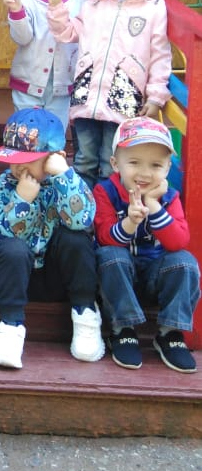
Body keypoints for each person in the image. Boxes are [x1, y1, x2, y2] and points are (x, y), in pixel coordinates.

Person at [47, 0, 172, 188]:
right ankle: (81, 210)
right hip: (87, 97)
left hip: (124, 101)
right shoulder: (96, 2)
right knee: (83, 161)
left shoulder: (154, 7)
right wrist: (57, 7)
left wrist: (156, 96)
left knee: (110, 163)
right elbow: (68, 33)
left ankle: (107, 211)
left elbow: (160, 55)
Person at [0, 107, 104, 370]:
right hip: (13, 275)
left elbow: (81, 220)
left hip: (54, 275)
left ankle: (85, 314)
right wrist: (22, 200)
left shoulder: (69, 182)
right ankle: (10, 327)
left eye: (27, 160)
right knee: (13, 249)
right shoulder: (3, 185)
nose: (17, 167)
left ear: (54, 157)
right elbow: (3, 235)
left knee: (76, 238)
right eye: (13, 159)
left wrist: (63, 176)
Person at [94, 117, 199, 373]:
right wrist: (130, 222)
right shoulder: (105, 191)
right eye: (134, 162)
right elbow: (105, 237)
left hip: (155, 276)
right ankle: (123, 329)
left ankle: (170, 332)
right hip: (119, 278)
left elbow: (178, 241)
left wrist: (153, 205)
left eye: (155, 165)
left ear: (167, 168)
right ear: (115, 164)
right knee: (110, 255)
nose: (144, 173)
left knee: (185, 261)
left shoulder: (169, 197)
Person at [0, 0, 90, 129]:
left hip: (63, 87)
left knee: (55, 137)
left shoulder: (80, 1)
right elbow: (22, 38)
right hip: (27, 86)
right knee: (26, 136)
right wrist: (16, 11)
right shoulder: (25, 0)